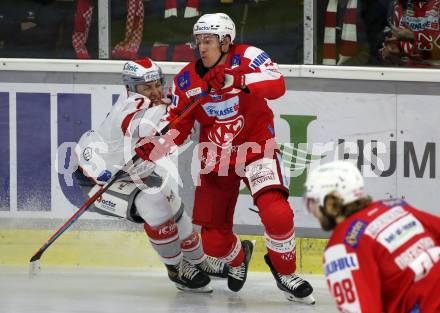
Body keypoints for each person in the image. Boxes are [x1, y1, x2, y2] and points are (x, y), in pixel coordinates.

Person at [135, 13, 315, 304]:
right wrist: (157, 146)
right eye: (198, 41)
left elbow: (277, 85)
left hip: (256, 146)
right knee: (214, 244)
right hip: (215, 156)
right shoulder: (185, 80)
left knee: (276, 212)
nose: (201, 48)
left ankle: (286, 273)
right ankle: (237, 256)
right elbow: (179, 125)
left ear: (226, 41)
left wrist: (236, 79)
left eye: (208, 41)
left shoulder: (249, 57)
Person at [73, 57, 228, 293]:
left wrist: (184, 104)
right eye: (146, 87)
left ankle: (199, 261)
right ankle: (176, 269)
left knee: (177, 212)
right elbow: (148, 125)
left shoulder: (159, 102)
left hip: (136, 171)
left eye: (157, 84)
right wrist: (190, 100)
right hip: (99, 180)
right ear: (131, 88)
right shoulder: (130, 107)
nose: (154, 91)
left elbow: (173, 124)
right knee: (156, 207)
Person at [304, 160, 440, 312]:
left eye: (312, 202)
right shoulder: (395, 206)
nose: (312, 211)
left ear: (330, 203)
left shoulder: (342, 246)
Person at [380, 0, 440, 67]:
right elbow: (392, 41)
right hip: (406, 71)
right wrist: (391, 49)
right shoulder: (399, 6)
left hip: (434, 71)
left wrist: (413, 36)